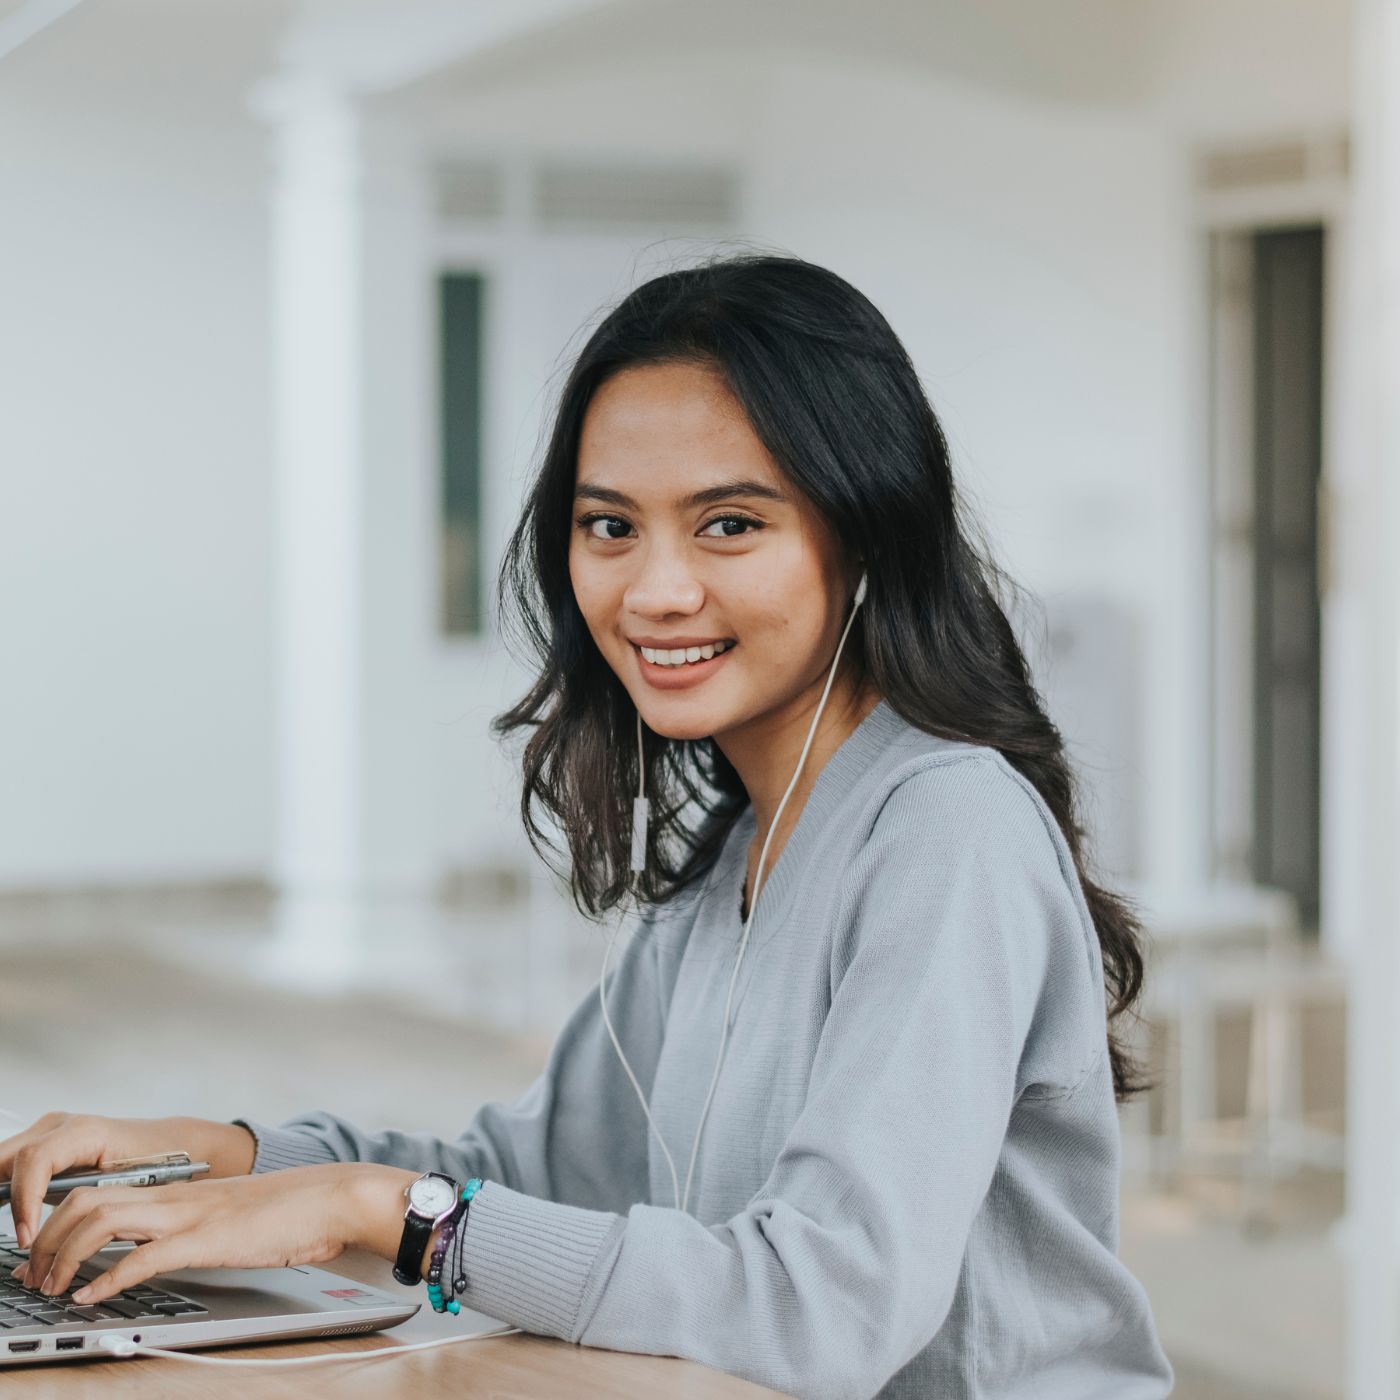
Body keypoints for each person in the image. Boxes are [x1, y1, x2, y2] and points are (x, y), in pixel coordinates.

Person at [1, 254, 1174, 1399]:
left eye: (728, 524)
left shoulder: (947, 830)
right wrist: (228, 1157)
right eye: (609, 525)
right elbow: (529, 1174)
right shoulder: (737, 851)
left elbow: (822, 1307)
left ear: (862, 535)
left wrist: (370, 1207)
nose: (653, 589)